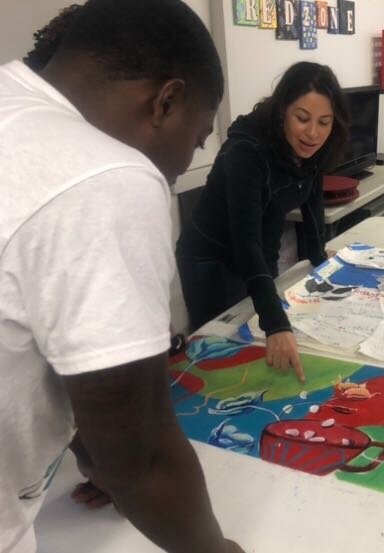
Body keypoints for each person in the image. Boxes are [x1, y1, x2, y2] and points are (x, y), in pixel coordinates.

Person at [0, 1, 244, 552]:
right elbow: (144, 454)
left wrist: (95, 453)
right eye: (198, 136)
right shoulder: (107, 175)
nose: (184, 162)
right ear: (167, 100)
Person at [176, 62, 349, 381]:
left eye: (324, 122)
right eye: (302, 118)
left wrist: (318, 256)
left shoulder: (312, 146)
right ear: (283, 109)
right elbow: (245, 242)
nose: (313, 133)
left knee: (259, 345)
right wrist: (276, 324)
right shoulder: (247, 151)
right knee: (223, 353)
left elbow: (312, 197)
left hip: (257, 252)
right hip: (210, 259)